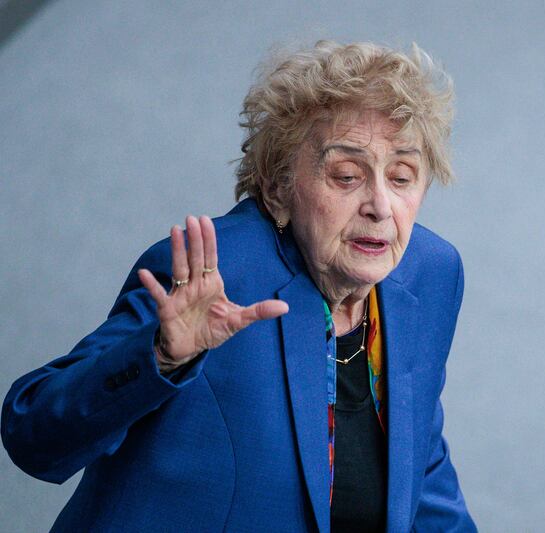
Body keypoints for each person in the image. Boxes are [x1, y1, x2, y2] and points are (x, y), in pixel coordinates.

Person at [1, 40, 476, 532]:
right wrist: (161, 357)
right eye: (347, 175)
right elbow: (32, 434)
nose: (381, 206)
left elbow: (419, 462)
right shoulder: (218, 275)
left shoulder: (429, 275)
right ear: (277, 188)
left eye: (402, 177)